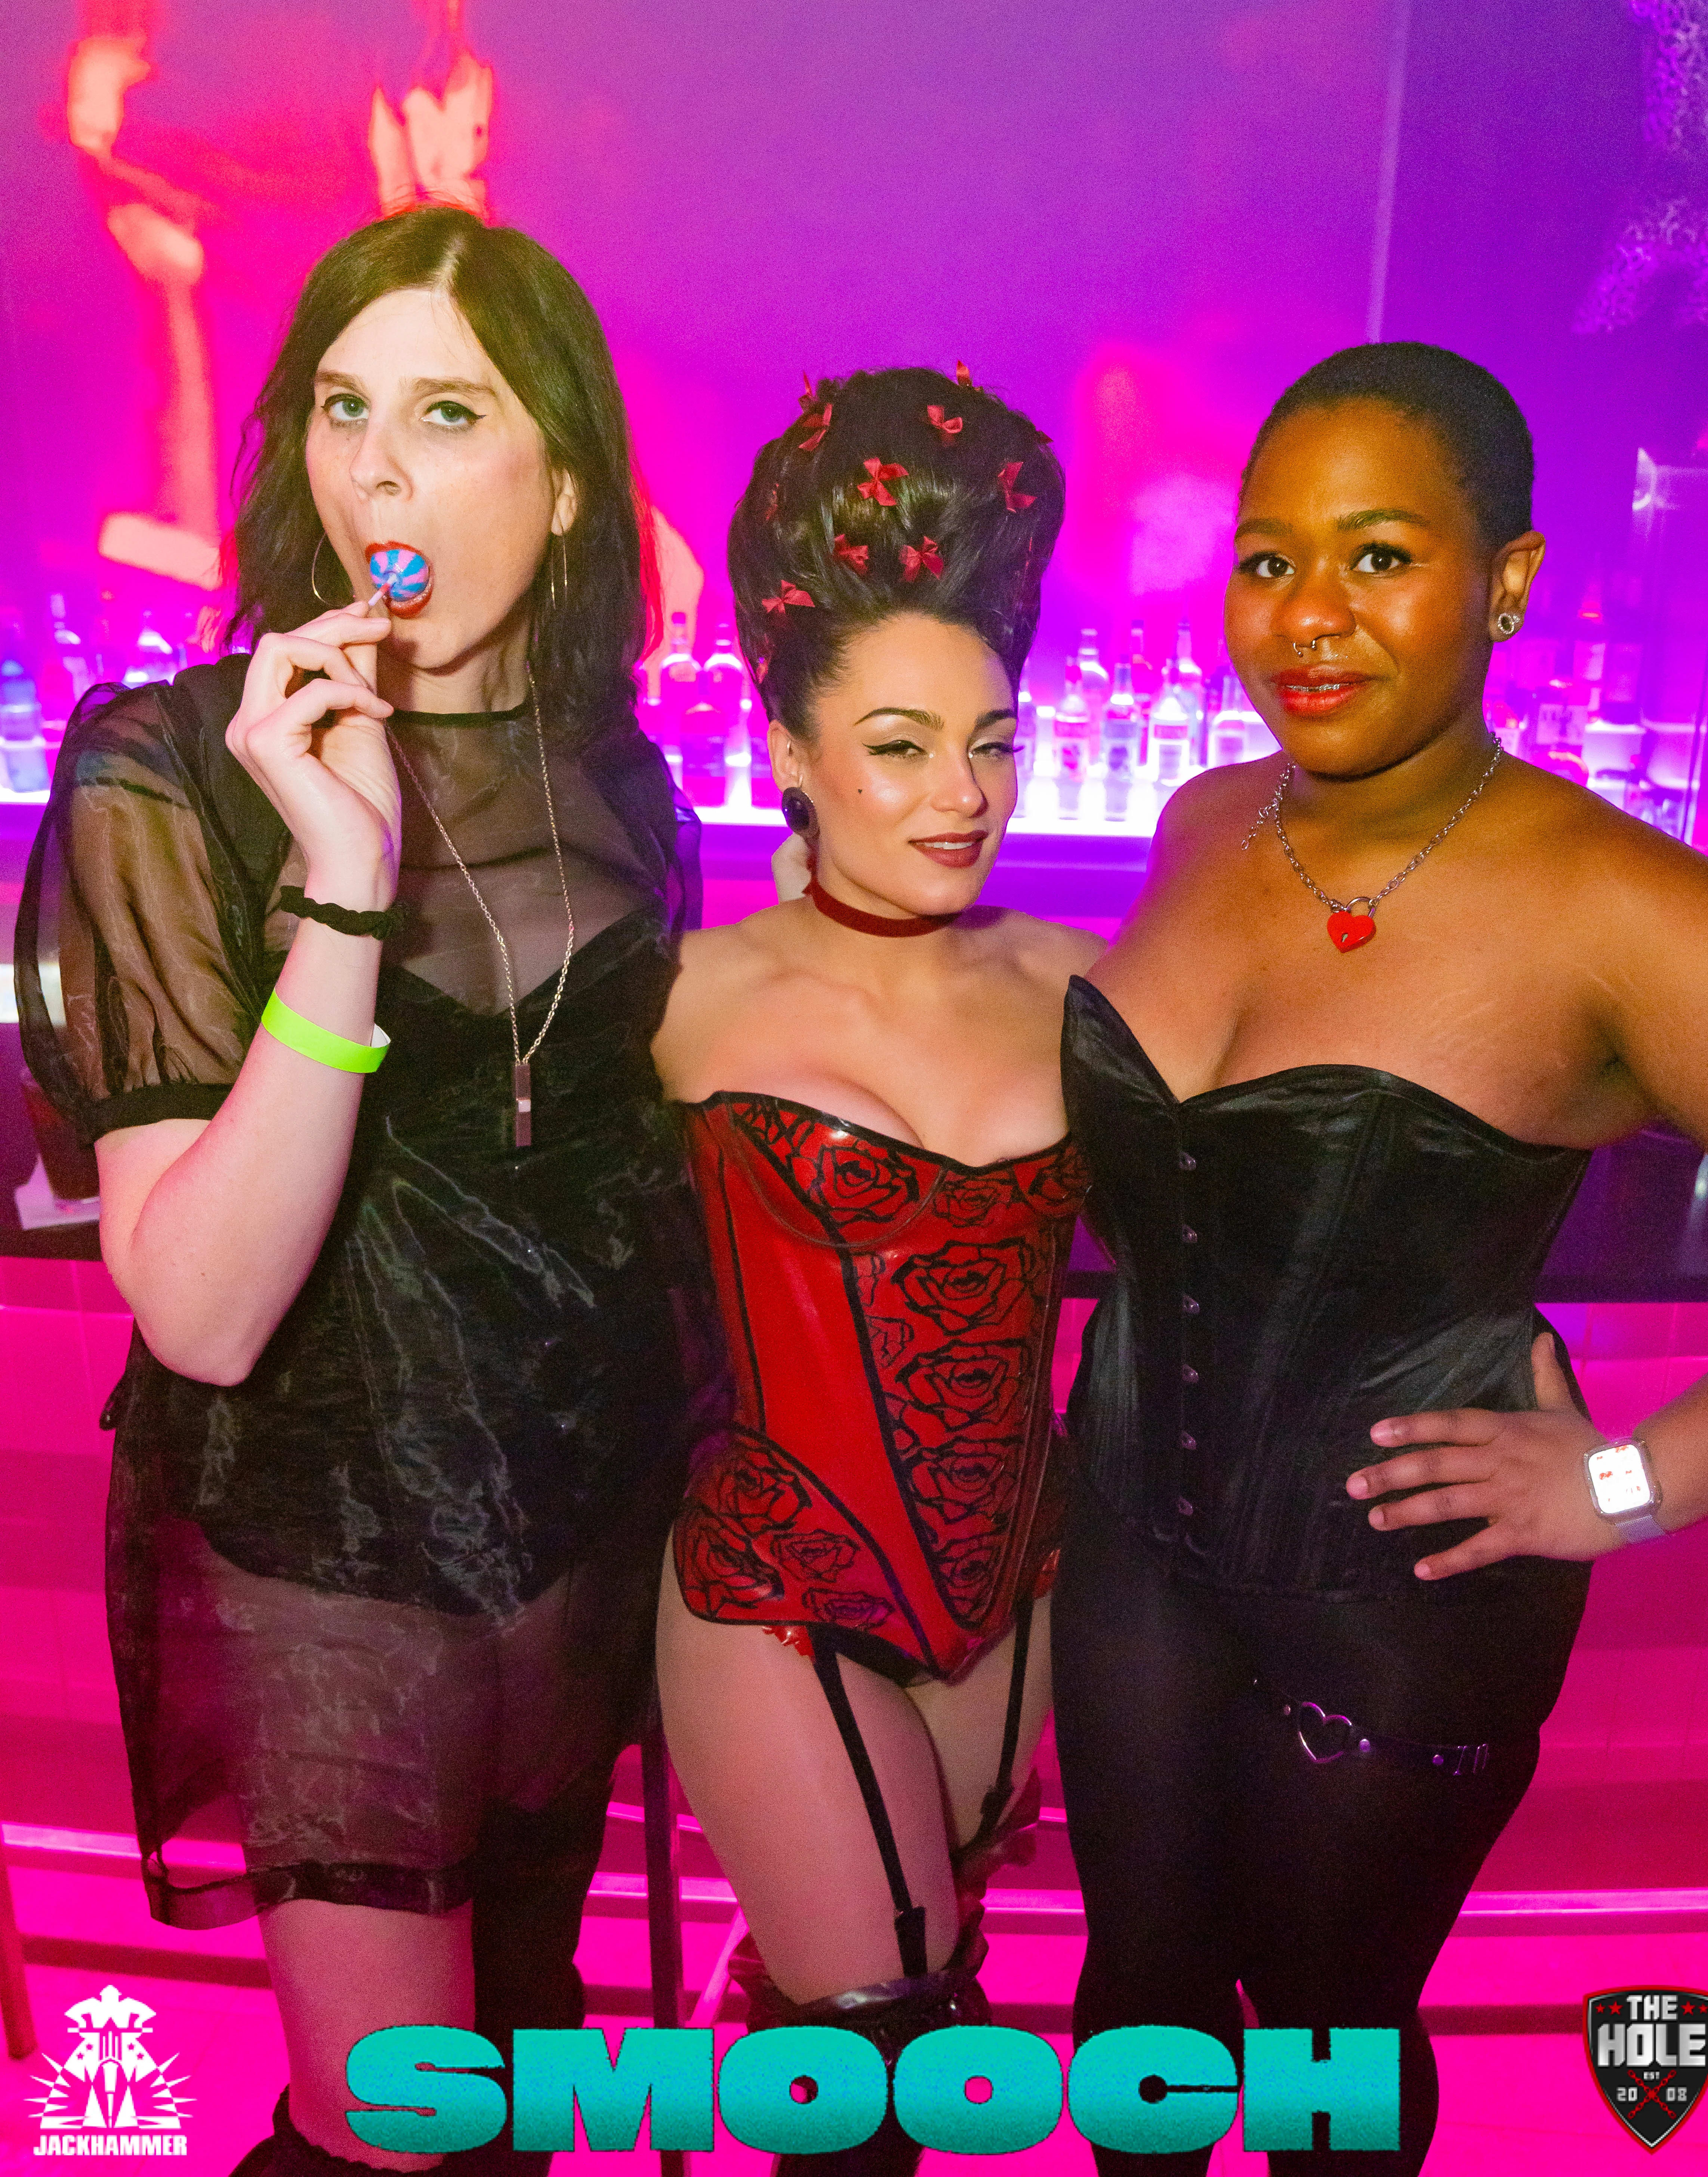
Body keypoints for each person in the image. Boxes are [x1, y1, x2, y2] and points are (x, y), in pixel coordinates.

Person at [15, 205, 721, 2177]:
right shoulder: (167, 765)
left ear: (564, 486)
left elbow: (615, 1184)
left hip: (581, 1529)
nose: (377, 472)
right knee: (390, 2124)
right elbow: (203, 1306)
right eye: (343, 408)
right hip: (334, 1540)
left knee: (519, 2058)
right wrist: (340, 882)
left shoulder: (622, 782)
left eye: (446, 413)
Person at [1050, 340, 1708, 2174]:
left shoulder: (1612, 900)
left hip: (1397, 1600)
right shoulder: (1205, 819)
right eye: (1269, 560)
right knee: (1137, 2008)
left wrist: (1628, 1479)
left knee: (1326, 2040)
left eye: (1378, 555)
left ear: (1505, 582)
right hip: (1125, 1544)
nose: (1308, 615)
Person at [652, 366, 1098, 2174]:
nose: (961, 794)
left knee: (919, 1984)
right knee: (882, 2042)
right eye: (902, 746)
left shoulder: (1088, 983)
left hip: (1021, 1591)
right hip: (771, 1587)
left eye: (992, 741)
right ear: (789, 748)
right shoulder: (678, 1001)